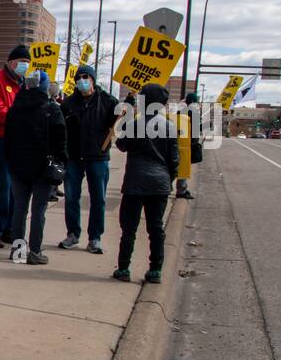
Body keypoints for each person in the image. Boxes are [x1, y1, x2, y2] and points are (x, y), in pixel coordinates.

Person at [113, 83, 180, 283]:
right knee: (156, 229)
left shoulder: (134, 124)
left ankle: (124, 268)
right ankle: (155, 270)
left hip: (135, 182)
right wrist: (168, 179)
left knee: (129, 229)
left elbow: (121, 145)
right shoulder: (169, 126)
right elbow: (174, 160)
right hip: (159, 184)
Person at [3, 70, 67, 265]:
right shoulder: (52, 109)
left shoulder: (15, 109)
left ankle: (18, 252)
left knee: (19, 210)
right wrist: (61, 161)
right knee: (39, 210)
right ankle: (35, 252)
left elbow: (8, 140)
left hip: (18, 167)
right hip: (42, 168)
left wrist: (11, 161)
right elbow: (60, 140)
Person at [59, 64, 118, 253]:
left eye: (86, 77)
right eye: (79, 78)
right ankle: (73, 234)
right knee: (71, 197)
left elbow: (118, 125)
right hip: (74, 158)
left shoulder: (109, 102)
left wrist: (126, 110)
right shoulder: (68, 104)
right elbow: (61, 130)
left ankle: (95, 238)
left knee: (98, 199)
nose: (82, 81)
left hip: (98, 157)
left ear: (93, 79)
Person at [0, 44, 30, 248]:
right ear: (11, 62)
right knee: (3, 187)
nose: (24, 66)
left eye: (27, 63)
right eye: (21, 62)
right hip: (1, 140)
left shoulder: (25, 84)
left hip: (19, 141)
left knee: (15, 190)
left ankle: (9, 230)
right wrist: (18, 117)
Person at [175, 91, 198, 199]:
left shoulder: (180, 112)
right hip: (186, 144)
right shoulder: (193, 112)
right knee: (183, 168)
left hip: (177, 142)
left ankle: (167, 188)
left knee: (174, 166)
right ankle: (181, 190)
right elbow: (195, 130)